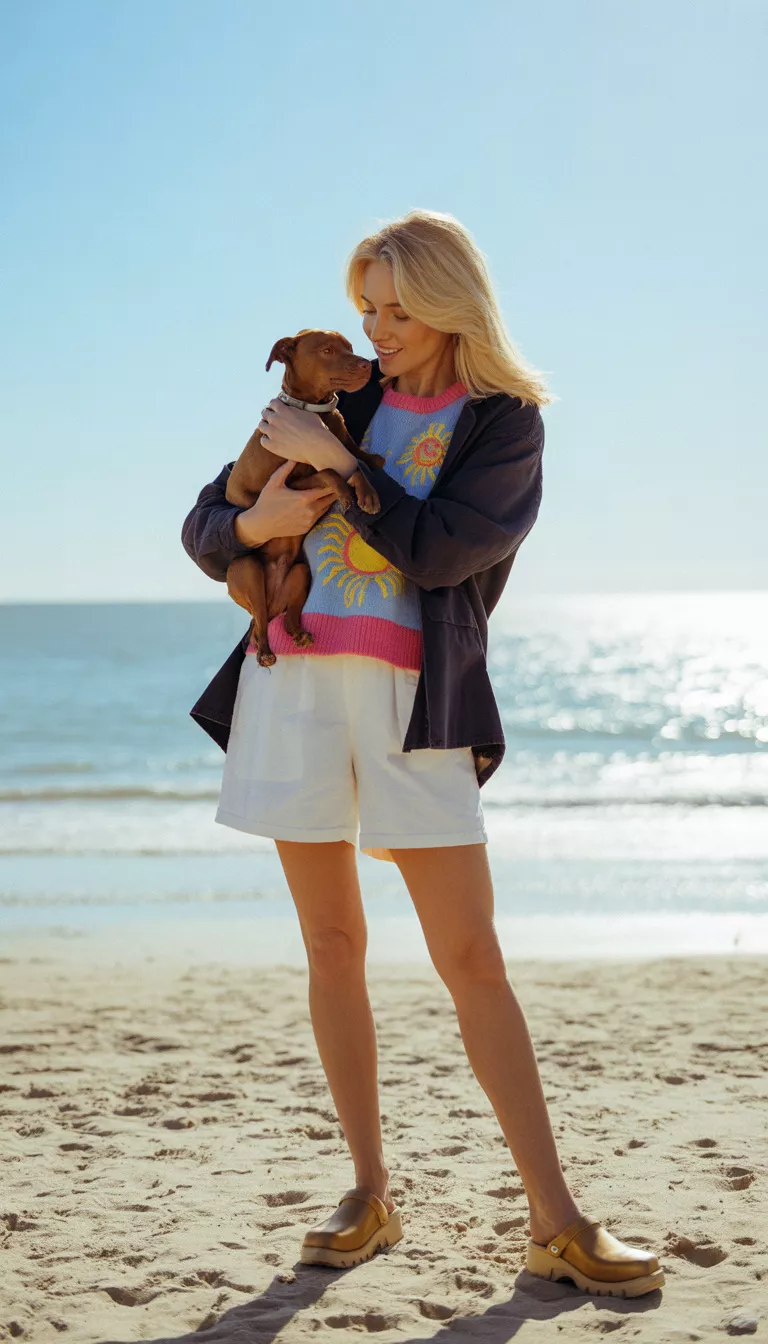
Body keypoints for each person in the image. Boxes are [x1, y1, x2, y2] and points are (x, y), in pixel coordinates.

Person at [181, 209, 663, 1297]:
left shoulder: (506, 422)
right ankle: (368, 1192)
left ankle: (557, 1218)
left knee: (472, 959)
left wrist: (341, 467)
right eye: (366, 310)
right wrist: (255, 527)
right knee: (332, 944)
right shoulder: (337, 390)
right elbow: (207, 524)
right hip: (291, 685)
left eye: (398, 311)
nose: (378, 331)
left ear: (452, 305)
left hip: (415, 699)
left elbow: (443, 553)